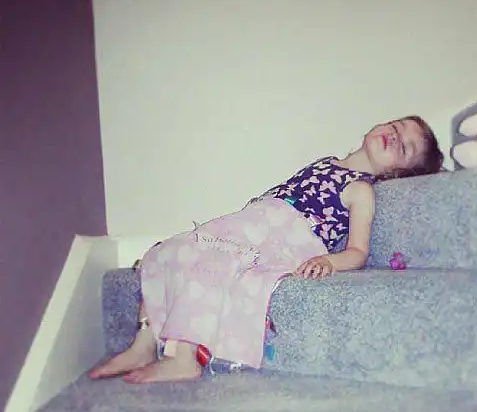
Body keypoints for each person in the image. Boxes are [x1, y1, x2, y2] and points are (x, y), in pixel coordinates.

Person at [89, 115, 445, 384]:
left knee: (210, 264)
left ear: (396, 174)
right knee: (170, 251)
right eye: (396, 127)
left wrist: (328, 260)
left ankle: (184, 357)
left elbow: (358, 252)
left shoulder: (361, 190)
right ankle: (143, 343)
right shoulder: (326, 162)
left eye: (404, 147)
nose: (395, 136)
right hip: (253, 222)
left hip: (284, 236)